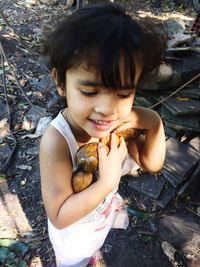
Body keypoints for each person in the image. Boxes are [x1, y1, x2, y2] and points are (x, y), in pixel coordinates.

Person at [40, 3, 166, 266]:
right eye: (89, 91)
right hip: (73, 242)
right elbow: (59, 215)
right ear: (61, 82)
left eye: (123, 94)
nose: (107, 110)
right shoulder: (57, 141)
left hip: (98, 224)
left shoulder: (121, 122)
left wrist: (154, 123)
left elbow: (152, 164)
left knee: (93, 250)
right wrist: (106, 183)